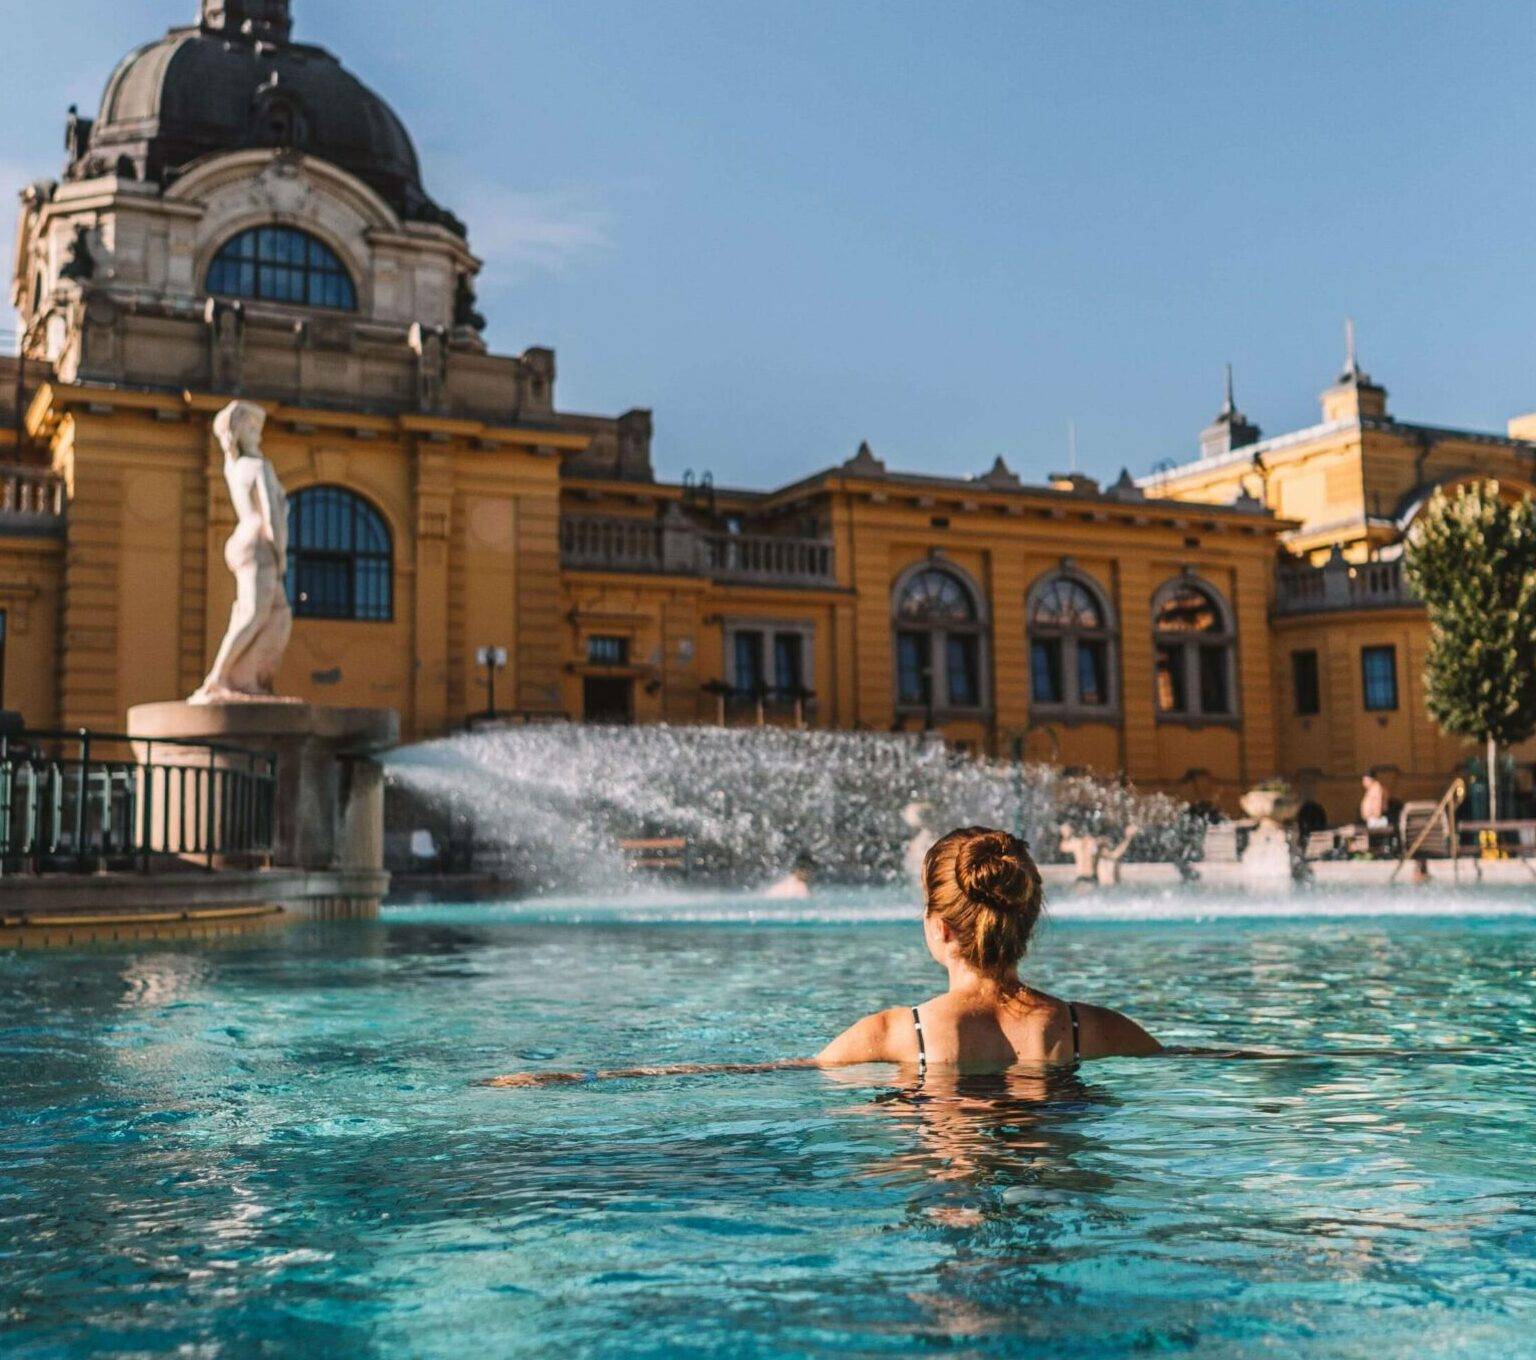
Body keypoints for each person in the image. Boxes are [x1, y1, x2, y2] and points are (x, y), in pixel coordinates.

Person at [485, 826, 1158, 1087]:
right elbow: (1194, 1060)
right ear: (1030, 920)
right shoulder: (1085, 1027)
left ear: (939, 929)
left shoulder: (900, 1034)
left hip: (944, 1191)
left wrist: (583, 1078)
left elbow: (753, 1073)